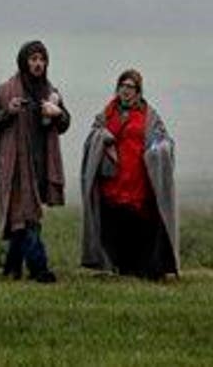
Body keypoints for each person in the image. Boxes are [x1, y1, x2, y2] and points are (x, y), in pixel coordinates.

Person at [0, 40, 70, 282]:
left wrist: (58, 112)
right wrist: (8, 111)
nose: (38, 64)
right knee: (29, 217)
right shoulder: (4, 91)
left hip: (41, 164)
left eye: (42, 59)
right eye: (33, 59)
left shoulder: (51, 92)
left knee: (22, 217)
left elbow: (64, 124)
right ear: (23, 62)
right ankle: (40, 269)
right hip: (16, 166)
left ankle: (11, 268)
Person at [80, 69, 179, 279]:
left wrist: (159, 149)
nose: (125, 91)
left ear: (138, 91)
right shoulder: (107, 113)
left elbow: (164, 140)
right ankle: (115, 266)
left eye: (130, 87)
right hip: (112, 182)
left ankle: (143, 269)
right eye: (122, 86)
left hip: (138, 181)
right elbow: (93, 136)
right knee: (114, 226)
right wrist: (101, 137)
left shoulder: (150, 117)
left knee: (139, 227)